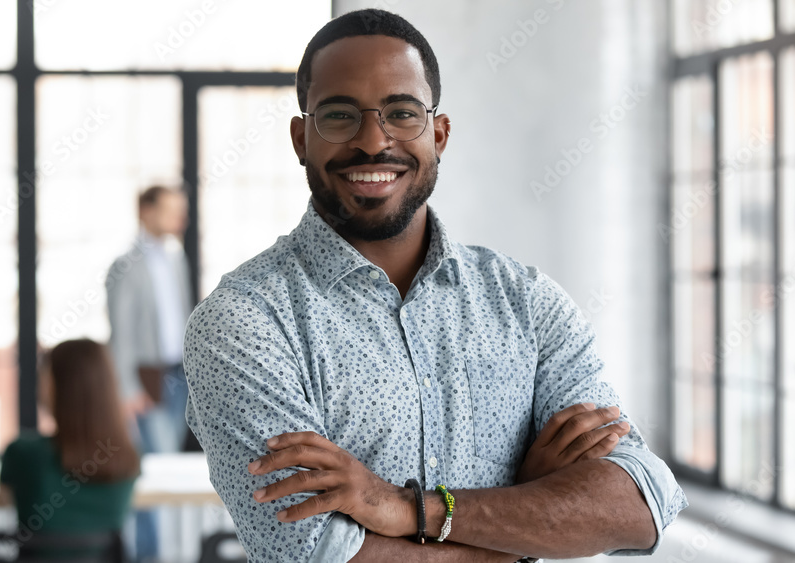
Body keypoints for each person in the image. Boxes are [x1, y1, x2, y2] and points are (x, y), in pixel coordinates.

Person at [183, 9, 687, 562]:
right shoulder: (243, 322)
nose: (373, 142)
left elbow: (641, 506)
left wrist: (403, 507)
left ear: (439, 134)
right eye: (339, 115)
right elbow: (312, 552)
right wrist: (522, 523)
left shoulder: (527, 303)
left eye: (401, 112)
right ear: (301, 139)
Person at [106, 186, 193, 560]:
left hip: (178, 376)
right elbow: (120, 331)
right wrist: (127, 389)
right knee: (152, 472)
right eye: (171, 210)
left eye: (182, 210)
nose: (179, 218)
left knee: (169, 469)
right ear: (145, 211)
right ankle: (148, 556)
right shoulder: (125, 266)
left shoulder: (177, 260)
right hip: (145, 379)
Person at [0, 339, 140, 550]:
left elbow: (3, 500)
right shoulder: (127, 457)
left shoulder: (23, 453)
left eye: (44, 376)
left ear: (60, 386)